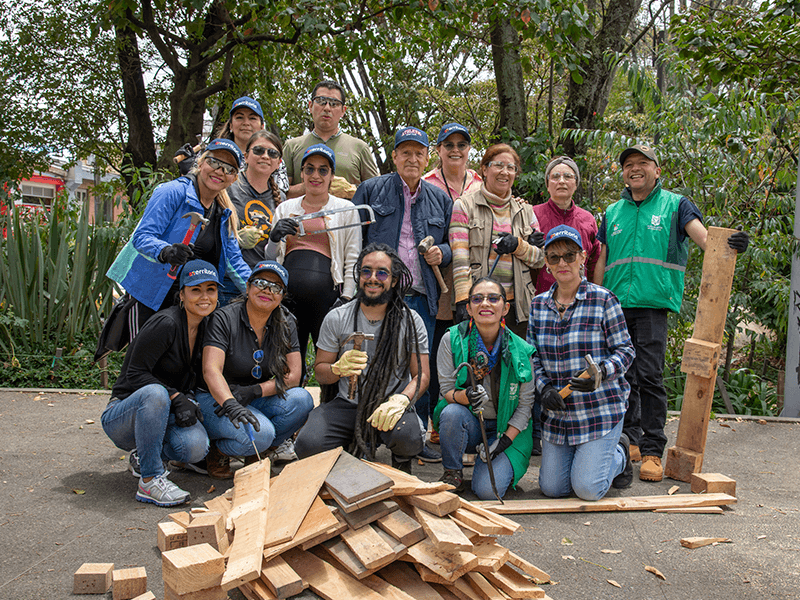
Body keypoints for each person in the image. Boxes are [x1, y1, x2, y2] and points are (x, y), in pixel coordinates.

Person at [594, 144, 750, 482]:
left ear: (657, 170)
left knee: (649, 375)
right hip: (615, 306)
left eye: (642, 164)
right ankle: (631, 439)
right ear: (623, 173)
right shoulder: (612, 212)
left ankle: (652, 450)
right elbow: (602, 260)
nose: (634, 169)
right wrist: (593, 300)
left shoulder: (674, 205)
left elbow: (705, 239)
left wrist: (729, 244)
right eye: (628, 165)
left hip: (653, 305)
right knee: (623, 377)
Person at [352, 126, 453, 462]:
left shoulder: (440, 198)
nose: (412, 158)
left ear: (428, 157)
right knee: (369, 360)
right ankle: (361, 429)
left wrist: (442, 252)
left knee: (419, 366)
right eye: (405, 152)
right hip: (378, 294)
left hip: (421, 294)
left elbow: (453, 245)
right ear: (393, 156)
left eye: (418, 153)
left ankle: (417, 434)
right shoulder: (371, 190)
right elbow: (355, 242)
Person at [294, 244, 428, 472]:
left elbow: (422, 375)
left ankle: (401, 462)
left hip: (390, 405)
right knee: (307, 444)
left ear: (394, 280)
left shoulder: (411, 320)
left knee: (409, 437)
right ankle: (341, 457)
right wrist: (336, 369)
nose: (373, 278)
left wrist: (402, 400)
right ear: (358, 276)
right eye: (366, 271)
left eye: (382, 273)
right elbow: (320, 372)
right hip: (348, 403)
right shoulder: (337, 317)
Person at [528, 226, 636, 500]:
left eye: (569, 255)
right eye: (554, 257)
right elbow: (532, 357)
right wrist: (544, 389)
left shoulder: (603, 299)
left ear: (582, 258)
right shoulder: (538, 305)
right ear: (547, 264)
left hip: (598, 411)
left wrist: (600, 371)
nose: (562, 263)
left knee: (587, 489)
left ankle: (620, 454)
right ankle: (588, 456)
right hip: (559, 415)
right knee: (553, 489)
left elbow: (625, 351)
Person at [107, 139, 252, 339]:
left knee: (178, 364)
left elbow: (233, 262)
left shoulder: (223, 214)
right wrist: (165, 251)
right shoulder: (172, 192)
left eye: (228, 168)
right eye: (214, 162)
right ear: (200, 163)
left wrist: (257, 292)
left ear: (234, 178)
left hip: (188, 303)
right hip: (150, 295)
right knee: (142, 363)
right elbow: (142, 237)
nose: (219, 171)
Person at [101, 260, 218, 506]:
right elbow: (134, 374)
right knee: (155, 393)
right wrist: (176, 397)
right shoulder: (166, 323)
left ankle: (144, 456)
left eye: (211, 289)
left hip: (162, 415)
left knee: (195, 447)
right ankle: (150, 480)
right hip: (124, 413)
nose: (204, 297)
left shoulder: (206, 326)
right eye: (196, 290)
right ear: (182, 295)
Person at [196, 261, 314, 478]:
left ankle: (256, 450)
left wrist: (254, 391)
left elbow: (294, 375)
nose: (267, 290)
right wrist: (230, 402)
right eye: (261, 282)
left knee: (302, 400)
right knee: (263, 433)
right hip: (216, 398)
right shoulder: (225, 317)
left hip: (253, 396)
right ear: (248, 287)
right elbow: (211, 370)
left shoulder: (286, 321)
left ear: (282, 296)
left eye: (276, 287)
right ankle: (219, 450)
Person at [433, 277, 535, 499]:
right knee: (450, 413)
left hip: (507, 429)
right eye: (477, 299)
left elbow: (525, 406)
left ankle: (493, 462)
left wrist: (504, 442)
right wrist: (466, 396)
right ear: (469, 308)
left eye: (493, 298)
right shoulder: (451, 340)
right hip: (470, 422)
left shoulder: (521, 350)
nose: (485, 304)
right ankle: (453, 472)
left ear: (505, 307)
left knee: (487, 491)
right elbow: (447, 391)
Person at [265, 144, 361, 370]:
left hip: (328, 300)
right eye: (310, 169)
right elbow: (270, 258)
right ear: (302, 174)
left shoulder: (346, 209)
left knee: (330, 363)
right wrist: (274, 236)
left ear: (332, 176)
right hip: (287, 300)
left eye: (323, 170)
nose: (315, 176)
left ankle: (330, 404)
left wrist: (347, 298)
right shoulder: (285, 208)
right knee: (287, 363)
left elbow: (353, 257)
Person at [422, 123, 482, 443]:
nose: (455, 149)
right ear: (439, 149)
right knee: (437, 348)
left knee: (467, 348)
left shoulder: (481, 184)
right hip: (436, 279)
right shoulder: (426, 182)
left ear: (469, 149)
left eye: (462, 143)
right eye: (449, 144)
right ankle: (436, 419)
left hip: (471, 277)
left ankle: (468, 418)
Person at [450, 143, 545, 339]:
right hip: (480, 306)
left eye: (511, 168)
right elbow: (460, 259)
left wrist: (518, 245)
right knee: (479, 365)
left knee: (516, 366)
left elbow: (541, 259)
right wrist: (463, 300)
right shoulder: (464, 205)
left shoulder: (526, 211)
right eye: (498, 165)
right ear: (484, 169)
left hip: (517, 307)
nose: (505, 172)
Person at [220, 131, 287, 304]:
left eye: (272, 153)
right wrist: (236, 238)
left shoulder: (282, 200)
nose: (265, 156)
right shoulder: (227, 187)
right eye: (258, 151)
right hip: (226, 281)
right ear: (246, 156)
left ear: (279, 163)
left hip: (263, 283)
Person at [283, 80, 379, 199]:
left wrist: (350, 190)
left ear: (343, 110)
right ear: (310, 106)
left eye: (334, 103)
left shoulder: (360, 147)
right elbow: (280, 194)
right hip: (303, 216)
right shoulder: (291, 146)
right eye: (321, 101)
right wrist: (314, 184)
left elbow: (377, 193)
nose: (327, 108)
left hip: (349, 216)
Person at [532, 156, 601, 295]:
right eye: (555, 177)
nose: (561, 181)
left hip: (580, 300)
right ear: (547, 184)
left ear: (575, 184)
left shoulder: (587, 219)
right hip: (540, 301)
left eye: (568, 176)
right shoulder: (532, 214)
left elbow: (595, 262)